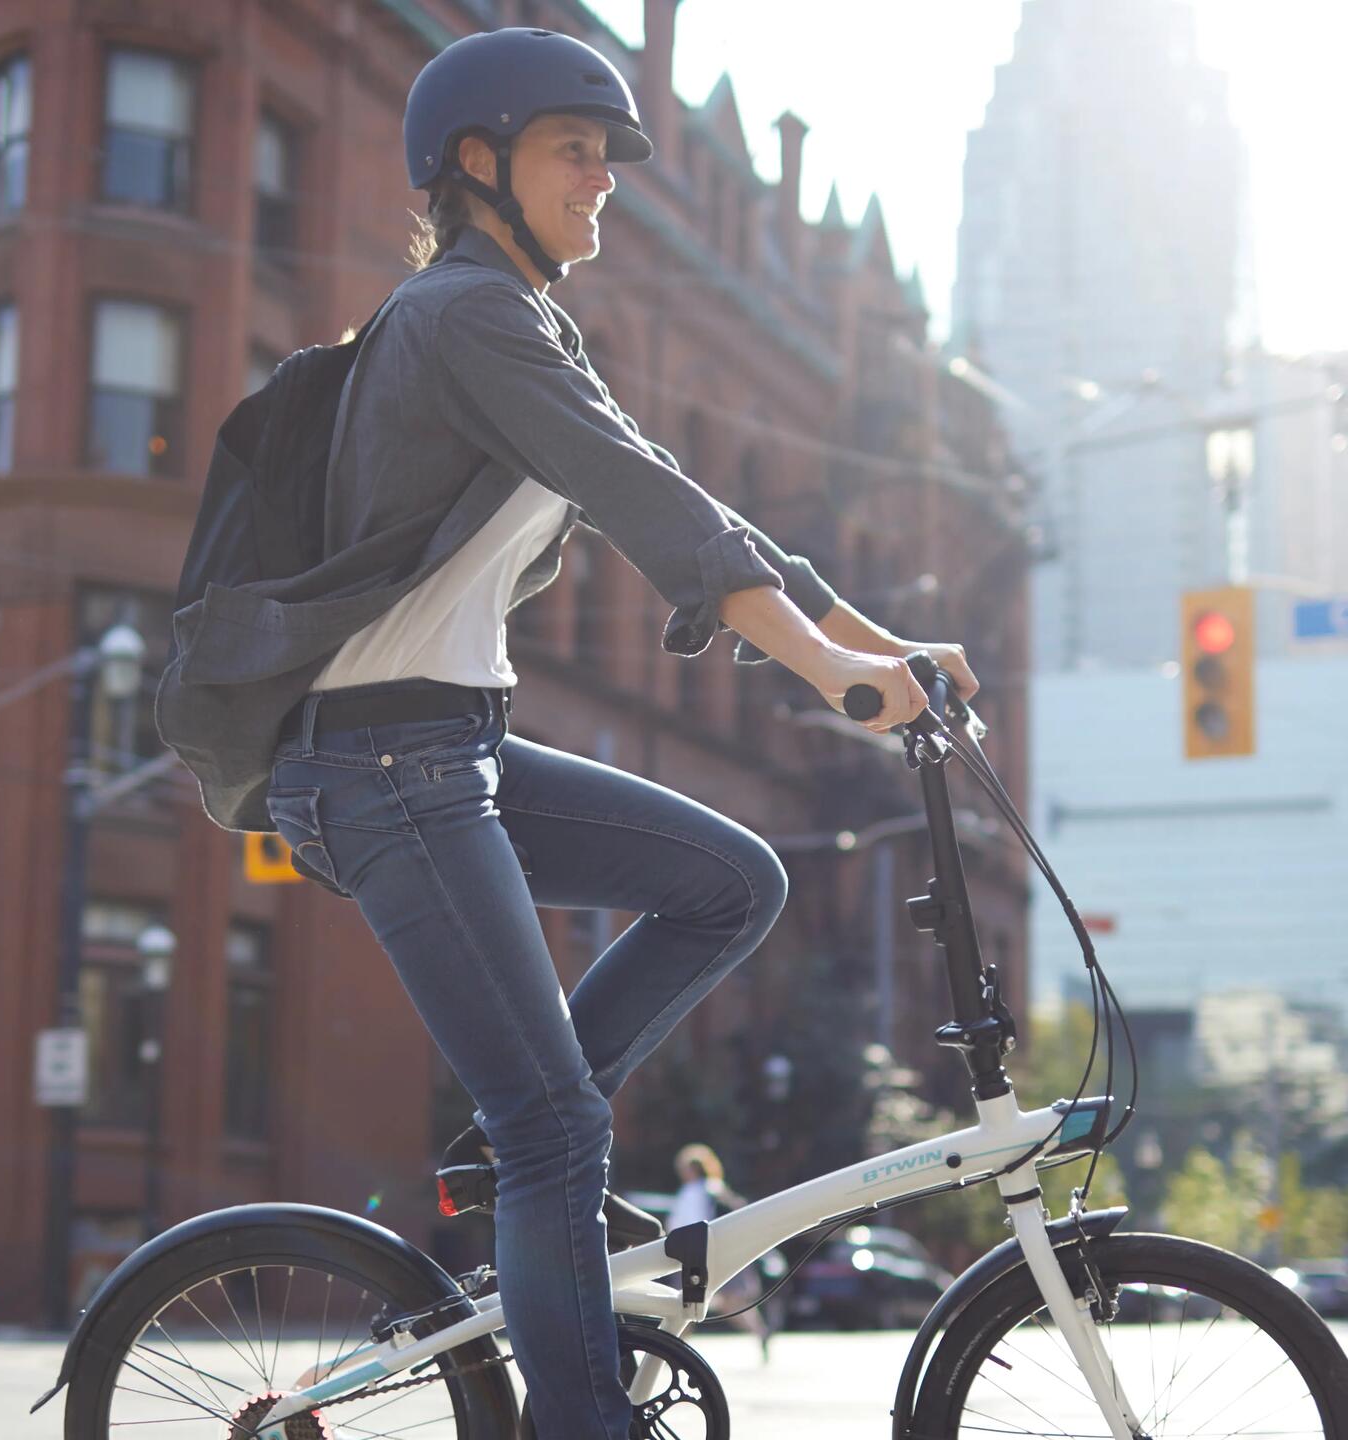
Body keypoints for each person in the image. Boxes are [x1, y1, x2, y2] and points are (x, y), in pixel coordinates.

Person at [162, 29, 977, 1440]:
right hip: (379, 762)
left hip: (448, 749)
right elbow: (648, 502)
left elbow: (673, 493)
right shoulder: (463, 314)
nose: (606, 182)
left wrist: (870, 641)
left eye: (609, 155)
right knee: (562, 1133)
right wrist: (828, 674)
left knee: (734, 884)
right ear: (477, 164)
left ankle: (519, 1151)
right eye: (576, 151)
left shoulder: (521, 320)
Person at [668, 1143, 773, 1361]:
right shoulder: (705, 1189)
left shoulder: (706, 1189)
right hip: (705, 1252)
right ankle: (676, 1347)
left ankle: (675, 1347)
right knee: (689, 1303)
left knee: (690, 1302)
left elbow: (686, 1222)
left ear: (694, 1168)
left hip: (701, 1253)